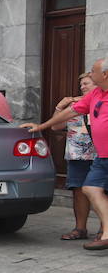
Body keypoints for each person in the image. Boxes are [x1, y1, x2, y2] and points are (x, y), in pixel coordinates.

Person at [28, 57, 108, 252]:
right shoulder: (97, 93)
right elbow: (69, 113)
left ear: (104, 74)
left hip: (98, 155)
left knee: (92, 189)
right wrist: (41, 126)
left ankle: (105, 232)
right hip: (101, 156)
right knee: (89, 188)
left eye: (92, 72)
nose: (89, 75)